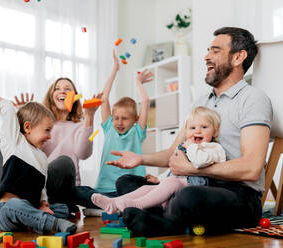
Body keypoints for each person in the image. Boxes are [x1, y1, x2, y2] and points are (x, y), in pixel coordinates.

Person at [108, 27, 273, 237]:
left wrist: (194, 170)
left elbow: (251, 168)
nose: (206, 57)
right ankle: (167, 216)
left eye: (215, 51)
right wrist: (140, 159)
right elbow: (173, 153)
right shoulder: (201, 102)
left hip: (237, 194)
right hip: (191, 183)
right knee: (126, 182)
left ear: (238, 57)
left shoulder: (252, 99)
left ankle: (162, 221)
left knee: (189, 197)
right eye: (208, 51)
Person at [0, 77, 98, 225]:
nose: (62, 91)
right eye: (57, 88)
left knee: (64, 162)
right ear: (51, 95)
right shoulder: (40, 123)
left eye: (67, 89)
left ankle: (14, 210)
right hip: (30, 185)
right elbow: (20, 147)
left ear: (75, 96)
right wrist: (22, 115)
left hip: (52, 185)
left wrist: (89, 118)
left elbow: (83, 153)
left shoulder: (80, 126)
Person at [91, 106, 226, 214]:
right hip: (176, 184)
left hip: (195, 190)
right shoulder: (186, 146)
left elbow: (200, 162)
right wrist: (159, 179)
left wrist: (190, 147)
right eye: (192, 128)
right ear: (186, 132)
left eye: (204, 127)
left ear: (215, 131)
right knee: (147, 187)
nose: (197, 131)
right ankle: (114, 203)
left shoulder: (213, 148)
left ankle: (137, 205)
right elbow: (173, 167)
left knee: (171, 182)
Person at [74, 49, 154, 209]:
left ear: (135, 120)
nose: (119, 122)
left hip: (131, 190)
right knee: (76, 191)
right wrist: (114, 70)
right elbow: (104, 97)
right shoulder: (109, 127)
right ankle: (115, 206)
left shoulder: (137, 132)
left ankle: (116, 206)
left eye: (125, 118)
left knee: (147, 194)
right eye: (116, 117)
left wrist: (138, 82)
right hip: (106, 190)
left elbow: (145, 101)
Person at [0, 95, 77, 234]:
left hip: (30, 209)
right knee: (15, 204)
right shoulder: (14, 143)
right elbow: (9, 111)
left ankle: (35, 221)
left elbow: (41, 188)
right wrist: (2, 102)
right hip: (7, 212)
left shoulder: (41, 157)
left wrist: (43, 204)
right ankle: (53, 223)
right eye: (47, 130)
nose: (50, 136)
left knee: (62, 208)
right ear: (27, 127)